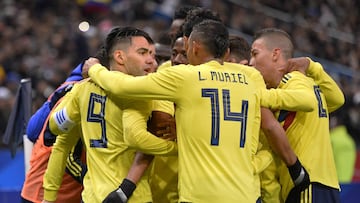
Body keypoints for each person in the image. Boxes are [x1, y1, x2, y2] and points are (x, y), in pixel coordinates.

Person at [83, 20, 314, 202]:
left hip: (199, 196)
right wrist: (301, 74)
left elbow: (121, 86)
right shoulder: (250, 77)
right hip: (245, 194)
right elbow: (303, 101)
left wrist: (95, 69)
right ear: (225, 51)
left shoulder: (185, 77)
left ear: (193, 46)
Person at [42, 26, 178, 203]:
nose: (152, 61)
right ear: (120, 57)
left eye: (152, 55)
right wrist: (180, 149)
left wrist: (48, 197)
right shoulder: (144, 93)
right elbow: (137, 139)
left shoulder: (82, 89)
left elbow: (59, 138)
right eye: (143, 53)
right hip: (135, 197)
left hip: (92, 197)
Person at [249, 28, 344, 202]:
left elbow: (307, 100)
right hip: (323, 184)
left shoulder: (292, 80)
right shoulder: (305, 85)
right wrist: (313, 66)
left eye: (255, 54)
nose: (251, 62)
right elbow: (337, 100)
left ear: (275, 54)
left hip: (307, 184)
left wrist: (256, 96)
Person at [21, 64, 85, 203]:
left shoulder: (68, 87)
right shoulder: (76, 96)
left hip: (65, 193)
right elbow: (35, 133)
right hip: (44, 194)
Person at [329, 106, 356, 183]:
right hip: (345, 187)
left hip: (331, 186)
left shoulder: (330, 140)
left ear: (334, 121)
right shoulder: (349, 140)